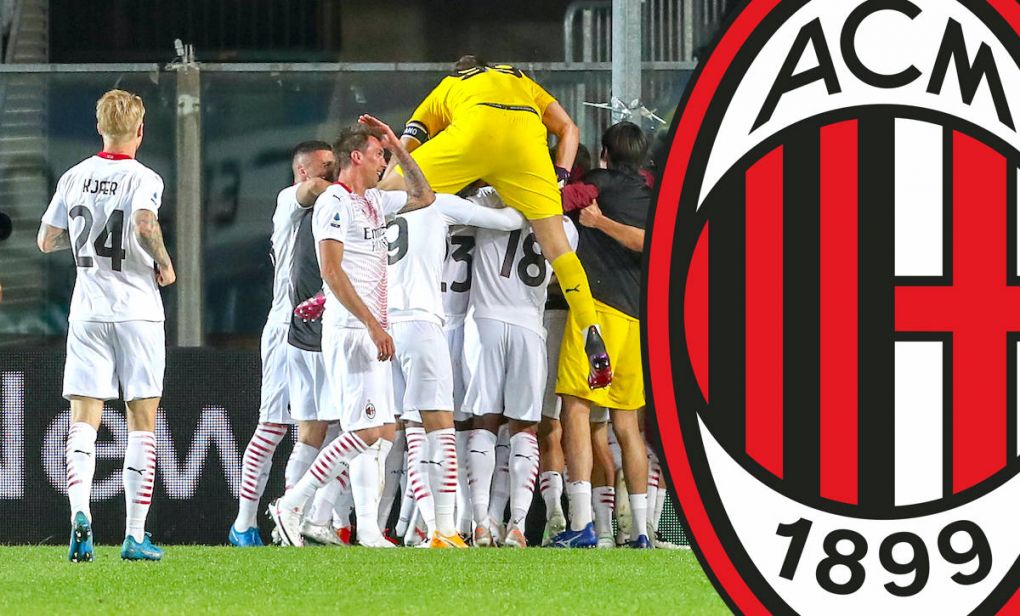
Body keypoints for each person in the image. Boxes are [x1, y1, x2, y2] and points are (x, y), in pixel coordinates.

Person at [381, 55, 612, 392]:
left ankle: (332, 292)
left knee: (382, 199)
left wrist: (388, 184)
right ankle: (591, 329)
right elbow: (569, 129)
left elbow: (405, 145)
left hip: (473, 137)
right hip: (525, 147)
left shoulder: (449, 86)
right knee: (560, 251)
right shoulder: (520, 80)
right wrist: (559, 176)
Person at [268, 116, 434, 548]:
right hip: (349, 330)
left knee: (382, 433)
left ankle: (367, 530)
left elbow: (424, 195)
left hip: (371, 331)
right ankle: (293, 505)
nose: (384, 163)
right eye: (379, 155)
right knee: (365, 432)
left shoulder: (375, 202)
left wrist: (398, 145)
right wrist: (372, 324)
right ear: (356, 156)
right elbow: (331, 271)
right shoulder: (334, 203)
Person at [37, 89, 174, 562]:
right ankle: (135, 535)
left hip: (88, 310)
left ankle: (81, 514)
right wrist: (163, 261)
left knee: (84, 419)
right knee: (142, 418)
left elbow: (46, 239)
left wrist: (82, 244)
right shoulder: (145, 177)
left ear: (99, 126)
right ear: (140, 130)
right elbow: (143, 223)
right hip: (137, 310)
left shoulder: (74, 176)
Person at [386, 189, 524, 547]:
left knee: (409, 432)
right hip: (449, 327)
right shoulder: (447, 206)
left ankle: (412, 524)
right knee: (451, 431)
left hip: (391, 323)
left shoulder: (385, 205)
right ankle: (451, 525)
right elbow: (510, 220)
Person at [229, 141, 337, 547]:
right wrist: (353, 192)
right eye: (324, 168)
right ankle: (243, 524)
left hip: (324, 331)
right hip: (284, 328)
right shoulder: (290, 201)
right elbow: (312, 191)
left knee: (330, 427)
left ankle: (303, 519)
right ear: (301, 172)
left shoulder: (334, 210)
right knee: (273, 426)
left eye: (335, 167)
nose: (331, 174)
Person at [552, 121, 652, 549]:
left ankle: (581, 523)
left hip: (597, 313)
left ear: (606, 155)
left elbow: (553, 201)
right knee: (627, 425)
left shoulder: (596, 185)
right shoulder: (655, 195)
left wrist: (597, 219)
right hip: (636, 320)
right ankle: (642, 531)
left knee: (575, 410)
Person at [463, 186, 578, 548]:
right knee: (524, 428)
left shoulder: (488, 202)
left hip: (486, 323)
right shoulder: (565, 226)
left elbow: (460, 211)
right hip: (530, 326)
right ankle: (517, 525)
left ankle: (481, 522)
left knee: (484, 420)